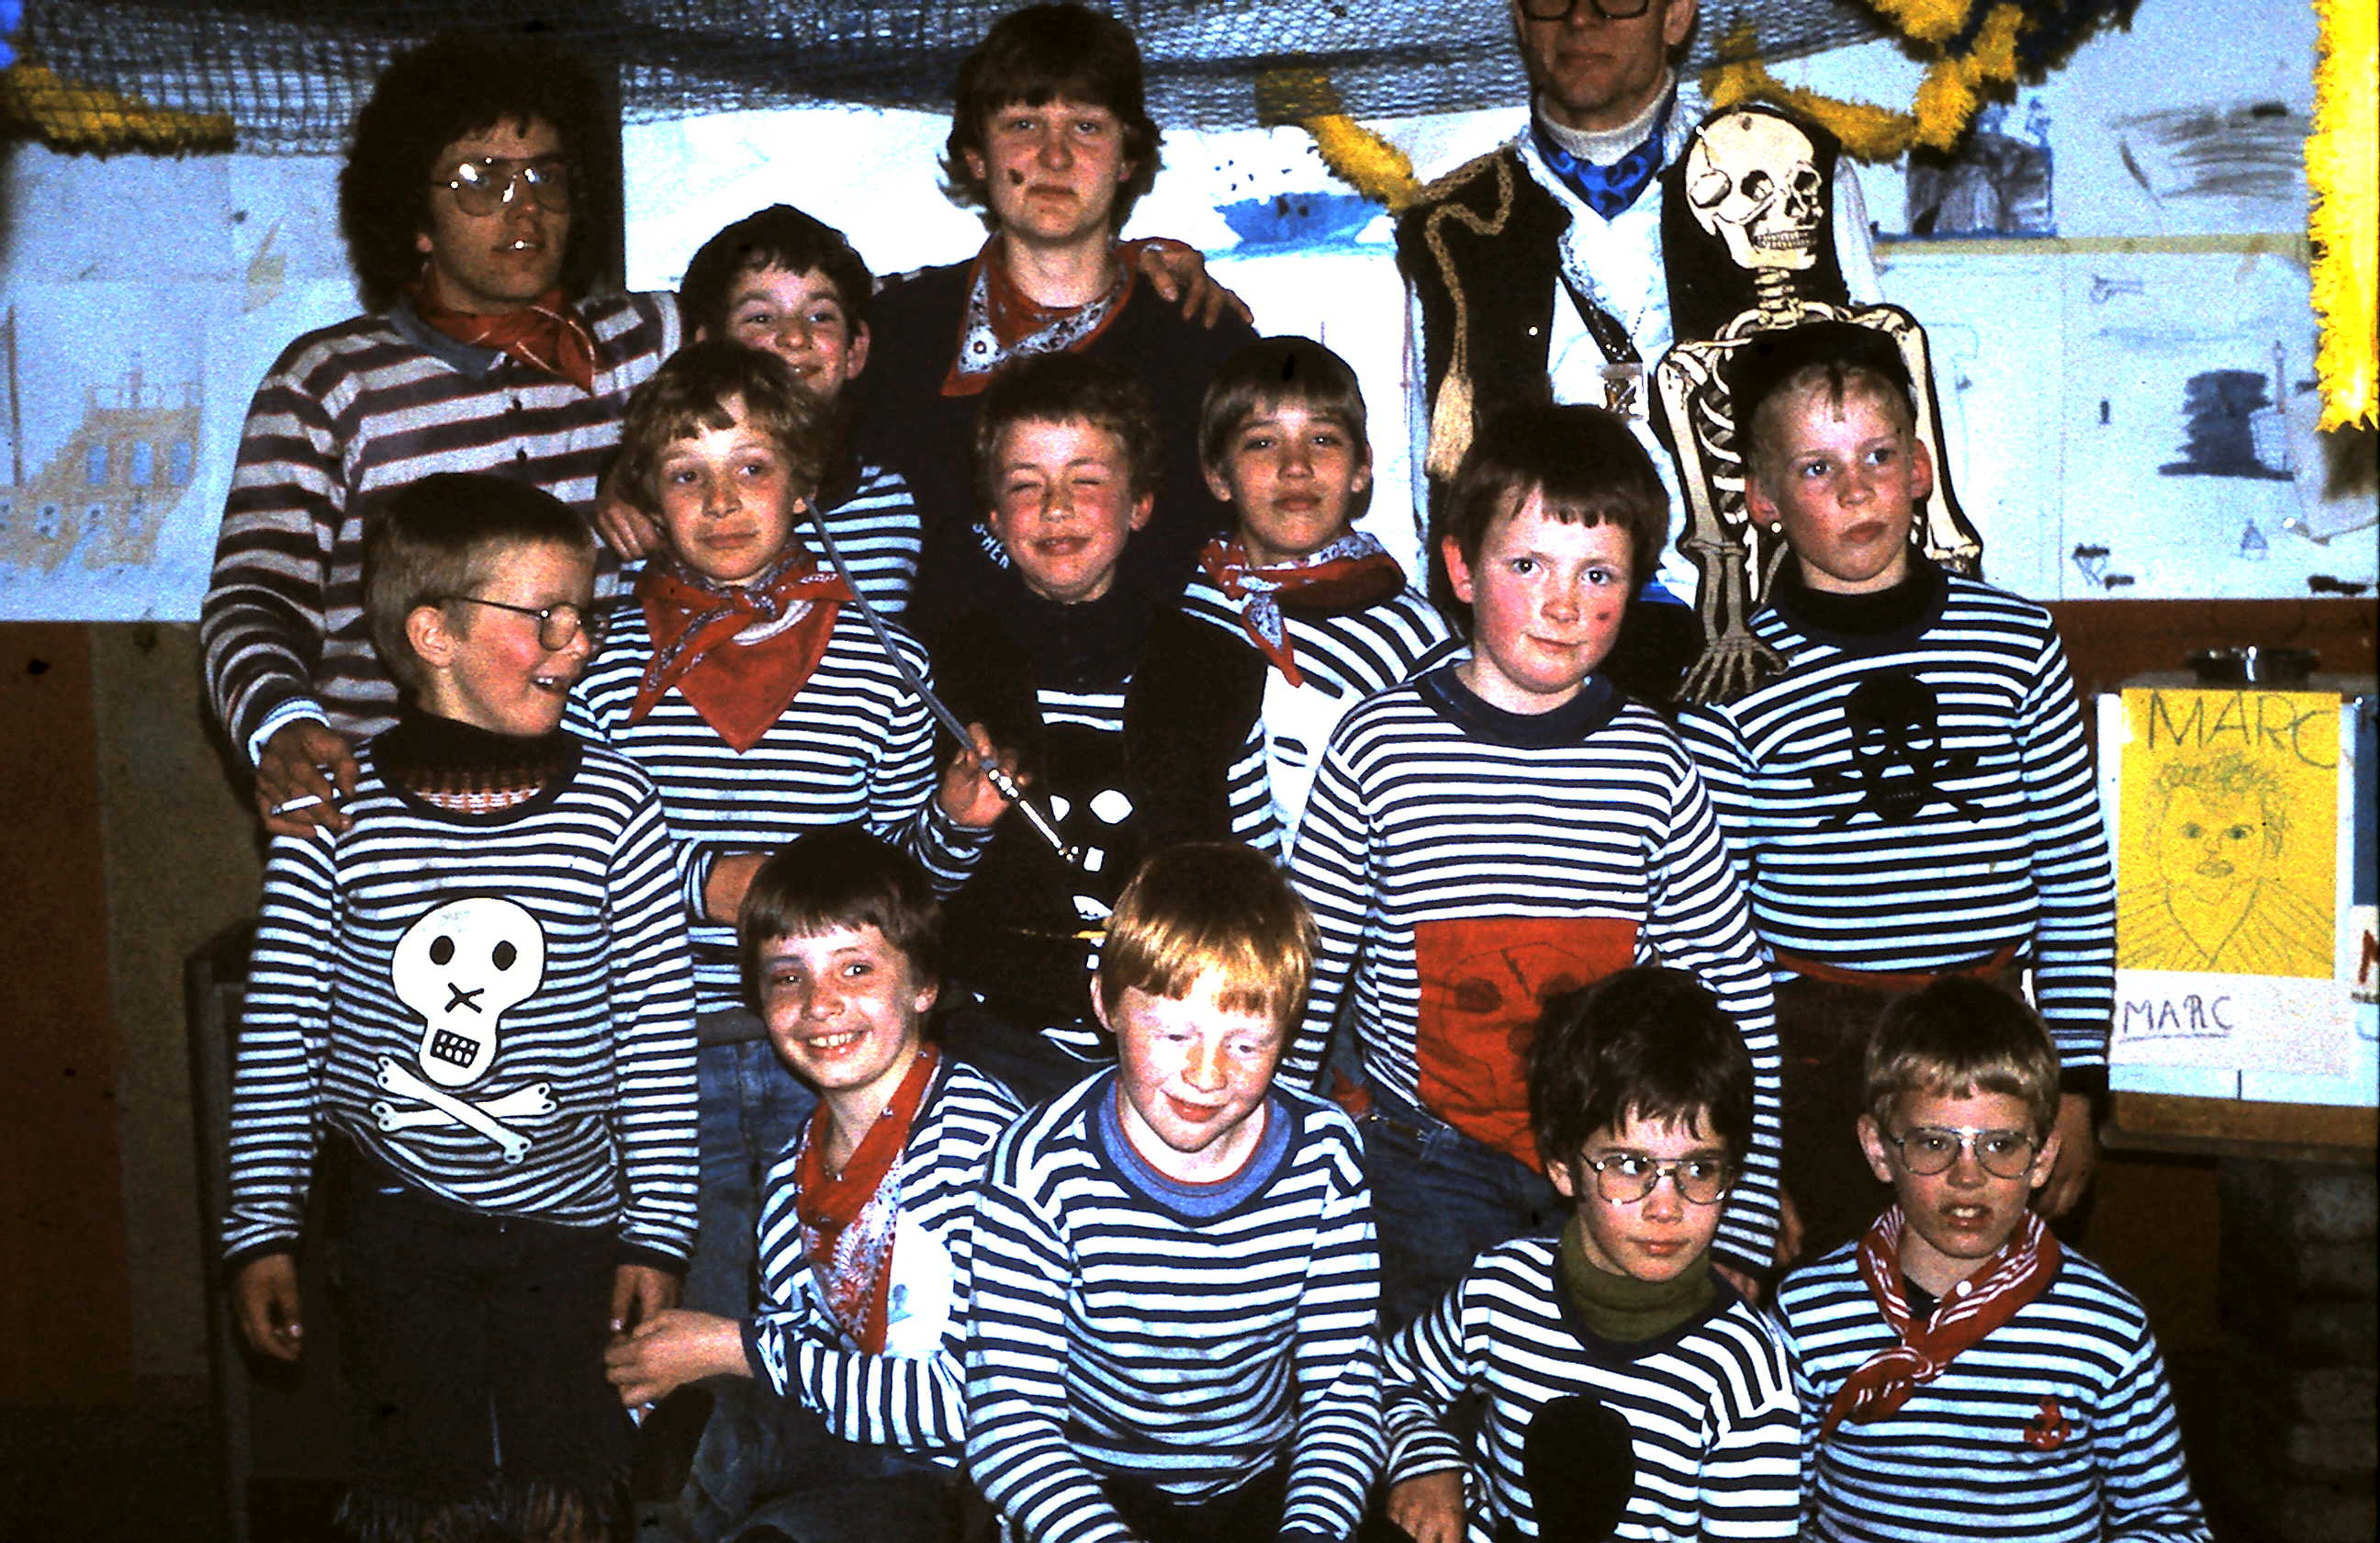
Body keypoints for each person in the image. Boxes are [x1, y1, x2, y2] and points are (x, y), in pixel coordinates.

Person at [221, 473, 699, 1539]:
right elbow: (282, 1027)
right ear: (432, 633)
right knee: (422, 1488)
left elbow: (656, 1041)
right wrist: (260, 1230)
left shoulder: (618, 806)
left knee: (566, 1484)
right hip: (395, 1223)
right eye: (545, 618)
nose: (577, 645)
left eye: (584, 615)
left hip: (573, 1225)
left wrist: (659, 1235)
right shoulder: (332, 813)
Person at [1288, 402, 1782, 1330]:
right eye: (1528, 566)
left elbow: (1729, 994)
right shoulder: (1378, 746)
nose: (1564, 605)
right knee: (1420, 1384)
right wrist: (1275, 1161)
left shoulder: (1655, 764)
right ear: (1461, 569)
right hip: (1422, 1167)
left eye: (1598, 574)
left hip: (1615, 1172)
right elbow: (1301, 973)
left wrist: (1743, 1215)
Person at [567, 338, 1011, 1316]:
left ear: (804, 488)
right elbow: (575, 853)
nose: (722, 502)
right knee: (691, 1312)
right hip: (659, 1056)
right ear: (649, 500)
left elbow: (902, 890)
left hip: (834, 1048)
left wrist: (955, 822)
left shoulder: (881, 661)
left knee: (836, 1305)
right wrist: (703, 883)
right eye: (687, 475)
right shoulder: (601, 669)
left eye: (752, 469)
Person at [1676, 320, 2108, 1263]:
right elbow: (1713, 933)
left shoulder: (2015, 645)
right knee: (1828, 1304)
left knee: (1997, 1305)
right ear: (1763, 500)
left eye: (1878, 456)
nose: (1857, 488)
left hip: (1993, 1046)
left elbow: (2075, 876)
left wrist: (2079, 1086)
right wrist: (1745, 1146)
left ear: (1918, 469)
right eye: (1818, 469)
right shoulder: (1736, 679)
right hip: (1815, 1059)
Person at [204, 32, 680, 838]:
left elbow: (823, 324)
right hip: (395, 813)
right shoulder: (330, 384)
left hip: (611, 808)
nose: (524, 207)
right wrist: (279, 724)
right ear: (415, 218)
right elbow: (257, 598)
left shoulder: (648, 344)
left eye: (546, 176)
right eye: (480, 180)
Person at [1396, 0, 1880, 701]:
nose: (1581, 20)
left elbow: (1878, 406)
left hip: (1774, 641)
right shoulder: (1455, 226)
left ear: (1677, 15)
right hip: (1547, 644)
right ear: (1521, 18)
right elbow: (1431, 476)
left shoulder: (1788, 172)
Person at [603, 829, 1021, 1543]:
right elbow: (796, 1348)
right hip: (842, 1440)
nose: (820, 1003)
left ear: (924, 986)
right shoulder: (792, 1164)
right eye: (787, 977)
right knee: (686, 1440)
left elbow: (972, 1406)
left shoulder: (981, 1147)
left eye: (855, 969)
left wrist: (737, 1347)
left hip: (962, 1479)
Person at [964, 843, 1383, 1543]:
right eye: (1175, 1032)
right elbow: (1011, 1428)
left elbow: (1343, 1395)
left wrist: (1310, 1529)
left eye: (1247, 1044)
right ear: (1104, 1003)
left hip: (1265, 1485)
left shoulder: (1325, 1154)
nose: (1207, 1073)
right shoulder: (1036, 1167)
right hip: (1092, 1488)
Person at [855, 1, 1259, 637]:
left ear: (1127, 157)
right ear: (977, 155)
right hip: (936, 693)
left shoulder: (1201, 341)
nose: (1055, 157)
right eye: (1023, 124)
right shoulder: (895, 333)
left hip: (1156, 688)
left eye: (1087, 127)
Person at [930, 352, 1274, 1100]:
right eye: (1025, 485)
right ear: (993, 516)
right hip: (996, 1048)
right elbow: (913, 895)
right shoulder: (946, 671)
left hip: (1186, 1040)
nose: (1056, 508)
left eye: (1085, 480)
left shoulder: (1216, 669)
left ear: (1139, 503)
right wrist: (953, 823)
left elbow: (1255, 878)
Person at [1774, 980, 2211, 1541]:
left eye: (2001, 1145)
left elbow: (2168, 1524)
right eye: (1934, 1143)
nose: (1968, 1176)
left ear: (2044, 1157)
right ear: (1879, 1149)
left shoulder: (2104, 1328)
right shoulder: (1808, 1314)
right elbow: (1774, 1514)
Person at [1379, 967, 1799, 1543]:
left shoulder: (1745, 1365)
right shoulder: (1501, 1288)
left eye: (1699, 1169)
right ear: (1562, 1168)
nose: (1666, 1207)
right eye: (1630, 1165)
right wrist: (1426, 1462)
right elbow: (1390, 1377)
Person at [1183, 336, 1457, 853]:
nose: (1296, 465)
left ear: (1362, 467)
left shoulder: (1409, 633)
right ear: (1219, 476)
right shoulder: (1187, 603)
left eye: (1323, 439)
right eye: (1262, 443)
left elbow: (1443, 798)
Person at [597, 203, 925, 617]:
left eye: (820, 316)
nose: (794, 337)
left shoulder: (895, 495)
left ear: (854, 350)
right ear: (706, 346)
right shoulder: (664, 505)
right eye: (761, 318)